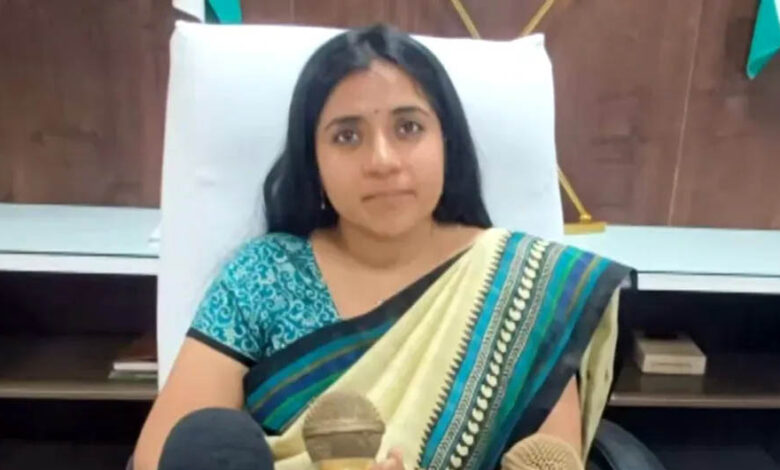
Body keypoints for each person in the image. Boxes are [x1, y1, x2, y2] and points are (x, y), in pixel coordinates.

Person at [133, 24, 630, 470]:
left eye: (408, 127)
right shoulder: (264, 276)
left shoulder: (524, 286)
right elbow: (167, 455)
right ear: (314, 161)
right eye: (347, 136)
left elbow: (549, 460)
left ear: (446, 143)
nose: (382, 160)